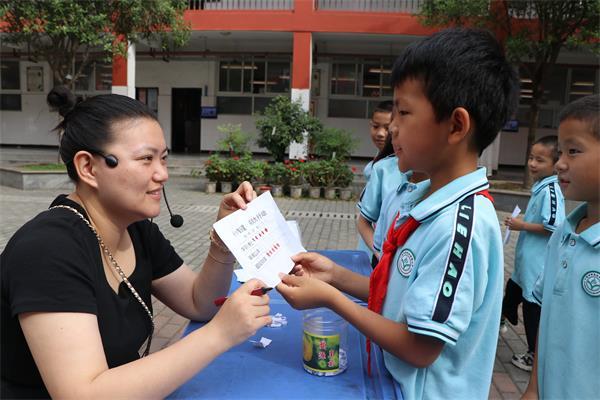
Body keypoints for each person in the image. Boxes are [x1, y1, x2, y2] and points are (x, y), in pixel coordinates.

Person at [277, 28, 519, 399]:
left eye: (404, 112)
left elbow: (419, 349)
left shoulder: (459, 226)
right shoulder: (424, 200)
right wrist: (335, 277)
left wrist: (329, 299)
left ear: (456, 125)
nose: (392, 127)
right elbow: (400, 298)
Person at [0, 88, 272, 399]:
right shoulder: (47, 251)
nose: (162, 174)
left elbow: (200, 303)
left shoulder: (136, 229)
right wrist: (219, 335)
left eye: (164, 158)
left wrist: (224, 239)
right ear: (88, 167)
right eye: (146, 159)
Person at [522, 94, 600, 400]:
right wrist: (532, 387)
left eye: (574, 151)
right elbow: (548, 315)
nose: (561, 163)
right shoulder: (565, 233)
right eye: (561, 152)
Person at [500, 135, 565, 371]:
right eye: (531, 158)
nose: (532, 164)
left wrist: (521, 226)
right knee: (512, 289)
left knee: (531, 306)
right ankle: (502, 320)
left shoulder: (552, 191)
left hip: (538, 264)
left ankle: (534, 355)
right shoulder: (542, 186)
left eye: (540, 160)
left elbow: (554, 225)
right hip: (526, 261)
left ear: (555, 164)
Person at [356, 100, 396, 262]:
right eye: (375, 126)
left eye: (387, 128)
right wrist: (381, 254)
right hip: (373, 255)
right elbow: (364, 220)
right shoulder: (382, 169)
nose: (380, 133)